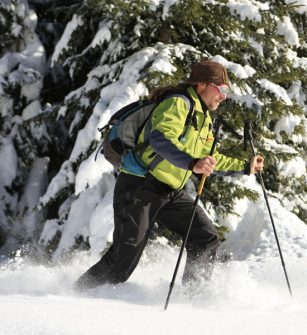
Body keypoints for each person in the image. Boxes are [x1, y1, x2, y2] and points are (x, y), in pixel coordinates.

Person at [75, 60, 264, 290]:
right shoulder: (177, 103)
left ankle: (194, 296)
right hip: (140, 187)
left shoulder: (203, 117)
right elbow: (161, 140)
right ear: (202, 84)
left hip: (170, 191)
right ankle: (76, 293)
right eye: (222, 89)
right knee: (121, 264)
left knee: (205, 237)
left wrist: (246, 166)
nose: (224, 96)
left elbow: (210, 157)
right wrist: (192, 162)